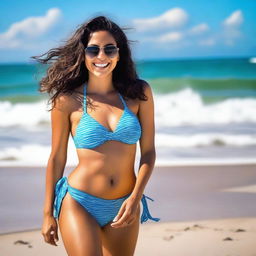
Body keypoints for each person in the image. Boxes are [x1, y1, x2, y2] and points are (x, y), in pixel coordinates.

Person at [32, 15, 160, 256]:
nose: (102, 56)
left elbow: (149, 152)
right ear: (83, 55)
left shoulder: (139, 93)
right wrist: (48, 213)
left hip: (125, 203)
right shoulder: (67, 100)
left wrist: (135, 199)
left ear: (119, 53)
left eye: (109, 49)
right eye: (93, 50)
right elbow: (57, 158)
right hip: (80, 201)